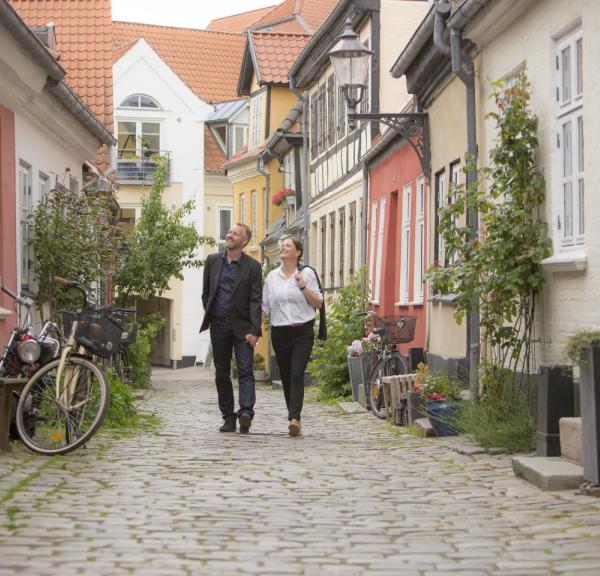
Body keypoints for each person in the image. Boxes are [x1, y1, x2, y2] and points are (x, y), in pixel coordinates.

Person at [200, 223, 262, 434]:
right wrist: (213, 314)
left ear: (244, 241)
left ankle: (246, 412)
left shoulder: (253, 267)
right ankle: (228, 417)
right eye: (229, 232)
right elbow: (206, 293)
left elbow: (256, 301)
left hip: (243, 327)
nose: (229, 235)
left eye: (235, 234)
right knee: (222, 373)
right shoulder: (213, 261)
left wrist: (254, 330)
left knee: (245, 370)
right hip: (218, 325)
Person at [262, 235, 323, 437]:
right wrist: (251, 328)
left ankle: (295, 418)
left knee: (297, 374)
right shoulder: (271, 277)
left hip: (302, 331)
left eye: (287, 246)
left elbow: (318, 303)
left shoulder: (307, 274)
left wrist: (303, 286)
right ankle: (293, 417)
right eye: (282, 246)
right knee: (287, 376)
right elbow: (265, 308)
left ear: (298, 252)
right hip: (280, 333)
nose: (282, 248)